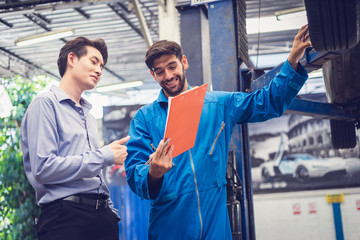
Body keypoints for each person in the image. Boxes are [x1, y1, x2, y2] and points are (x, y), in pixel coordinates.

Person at [125, 25, 312, 239]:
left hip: (216, 227)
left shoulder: (219, 104)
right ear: (153, 74)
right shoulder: (145, 119)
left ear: (184, 62)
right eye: (160, 71)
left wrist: (293, 60)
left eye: (172, 66)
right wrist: (153, 173)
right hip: (170, 228)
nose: (168, 75)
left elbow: (268, 102)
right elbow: (133, 174)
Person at [21, 37, 130, 240]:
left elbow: (93, 176)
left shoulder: (88, 115)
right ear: (72, 58)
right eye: (94, 61)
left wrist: (111, 213)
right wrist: (104, 155)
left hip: (102, 218)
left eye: (102, 66)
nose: (99, 70)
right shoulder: (45, 104)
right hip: (66, 219)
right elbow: (44, 168)